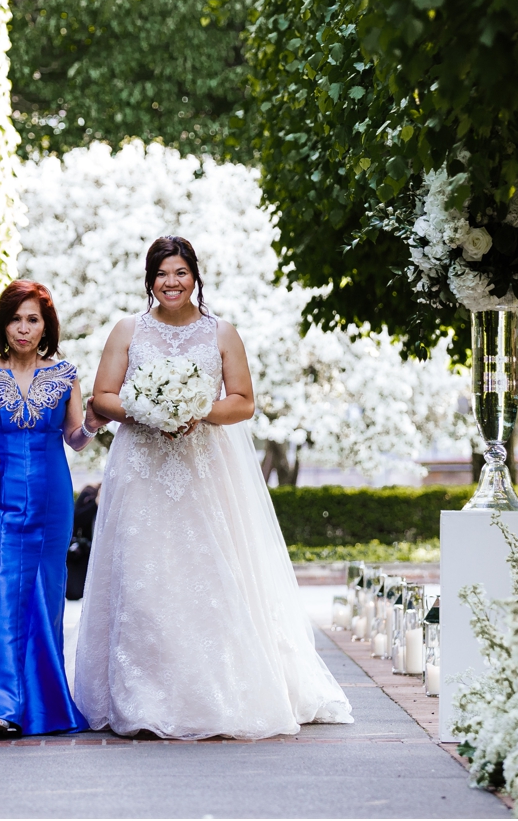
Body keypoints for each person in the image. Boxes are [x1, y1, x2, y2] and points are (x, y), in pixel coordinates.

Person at [74, 236, 352, 739]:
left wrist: (195, 411)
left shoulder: (221, 333)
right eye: (162, 274)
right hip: (142, 469)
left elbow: (243, 401)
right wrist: (149, 411)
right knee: (143, 571)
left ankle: (219, 692)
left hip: (205, 468)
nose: (171, 282)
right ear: (149, 281)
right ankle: (141, 698)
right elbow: (104, 397)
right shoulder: (127, 331)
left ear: (195, 276)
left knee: (209, 570)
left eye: (180, 272)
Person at [0, 280, 105, 738]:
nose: (23, 327)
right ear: (3, 323)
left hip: (54, 498)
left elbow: (74, 437)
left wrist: (91, 422)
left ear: (45, 326)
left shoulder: (65, 374)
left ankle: (42, 704)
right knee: (0, 588)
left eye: (32, 319)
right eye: (15, 318)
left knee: (45, 595)